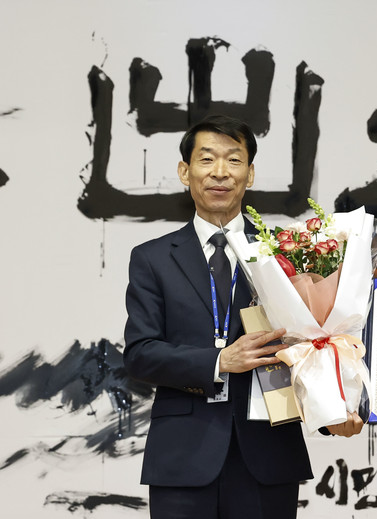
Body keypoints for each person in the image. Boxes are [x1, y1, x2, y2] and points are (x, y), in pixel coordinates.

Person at [124, 115, 362, 519]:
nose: (220, 172)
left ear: (249, 174)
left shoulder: (287, 253)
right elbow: (140, 354)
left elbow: (314, 347)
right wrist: (219, 361)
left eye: (234, 160)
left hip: (268, 453)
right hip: (183, 457)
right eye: (207, 159)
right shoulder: (152, 258)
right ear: (184, 171)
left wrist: (334, 413)